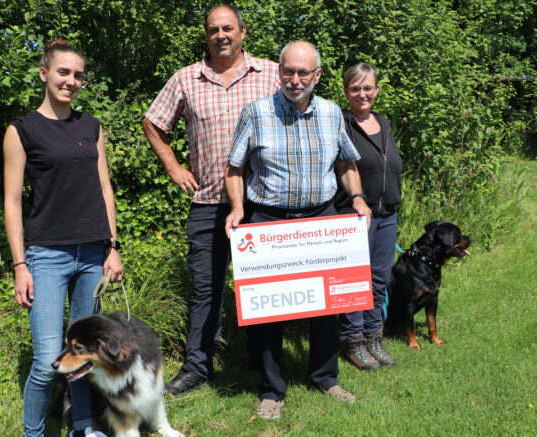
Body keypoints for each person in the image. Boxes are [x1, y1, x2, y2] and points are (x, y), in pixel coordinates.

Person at [224, 41, 372, 420]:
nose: (294, 79)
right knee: (269, 313)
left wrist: (357, 198)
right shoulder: (255, 113)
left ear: (316, 75)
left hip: (319, 220)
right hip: (269, 221)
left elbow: (346, 163)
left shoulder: (332, 113)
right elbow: (236, 168)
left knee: (327, 307)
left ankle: (326, 377)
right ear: (279, 72)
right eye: (288, 71)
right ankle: (272, 390)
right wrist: (238, 208)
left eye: (303, 72)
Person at [142, 4, 280, 396]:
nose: (221, 35)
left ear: (243, 31)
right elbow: (153, 122)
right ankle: (198, 366)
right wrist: (174, 168)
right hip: (208, 203)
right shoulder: (186, 79)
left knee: (263, 285)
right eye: (213, 30)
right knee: (206, 288)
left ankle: (261, 357)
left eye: (227, 28)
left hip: (262, 200)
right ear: (206, 35)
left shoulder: (271, 74)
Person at [3, 39, 123, 437]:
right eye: (63, 72)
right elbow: (13, 203)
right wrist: (21, 265)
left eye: (78, 75)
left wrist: (113, 247)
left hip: (93, 255)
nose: (71, 81)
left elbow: (105, 189)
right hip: (46, 256)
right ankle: (32, 433)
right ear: (44, 73)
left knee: (85, 356)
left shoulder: (91, 126)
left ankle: (84, 426)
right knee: (44, 361)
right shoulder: (21, 130)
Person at [334, 63, 403, 370]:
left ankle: (375, 336)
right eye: (355, 88)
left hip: (387, 213)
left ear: (377, 89)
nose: (362, 94)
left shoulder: (384, 122)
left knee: (379, 277)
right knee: (354, 280)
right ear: (346, 91)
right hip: (355, 214)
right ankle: (353, 340)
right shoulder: (342, 123)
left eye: (367, 88)